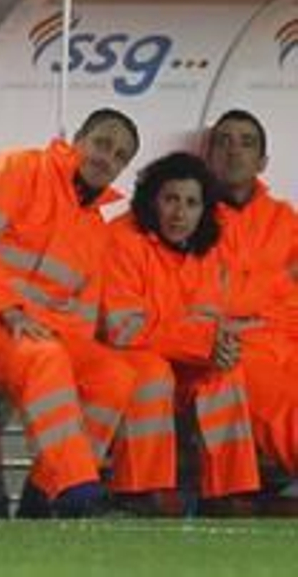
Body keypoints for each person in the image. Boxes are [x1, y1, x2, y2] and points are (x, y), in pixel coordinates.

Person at [0, 109, 177, 518]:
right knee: (45, 356)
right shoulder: (17, 168)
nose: (106, 158)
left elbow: (78, 319)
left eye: (119, 156)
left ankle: (41, 498)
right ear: (77, 139)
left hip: (29, 336)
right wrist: (9, 311)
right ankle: (76, 489)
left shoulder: (94, 225)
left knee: (114, 374)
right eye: (101, 143)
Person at [102, 151, 262, 512]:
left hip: (182, 358)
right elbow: (122, 328)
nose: (179, 213)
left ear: (204, 210)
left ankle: (228, 493)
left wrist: (217, 347)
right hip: (122, 358)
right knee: (152, 372)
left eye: (191, 203)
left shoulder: (207, 249)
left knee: (225, 372)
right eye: (170, 199)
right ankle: (139, 492)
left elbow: (209, 321)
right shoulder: (122, 238)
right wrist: (203, 343)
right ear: (151, 200)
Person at [203, 109, 298, 477]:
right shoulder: (190, 217)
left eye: (247, 143)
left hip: (287, 341)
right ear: (209, 156)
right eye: (223, 141)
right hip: (236, 348)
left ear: (262, 161)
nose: (234, 151)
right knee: (288, 407)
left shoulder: (285, 220)